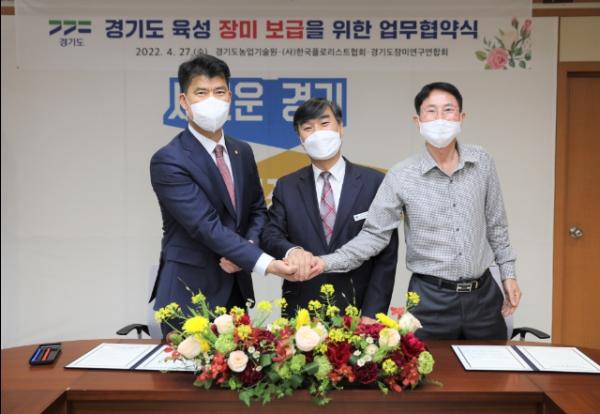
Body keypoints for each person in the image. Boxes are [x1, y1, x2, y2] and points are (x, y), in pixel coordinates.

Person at [310, 82, 522, 340]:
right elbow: (374, 235)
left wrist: (508, 274)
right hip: (430, 301)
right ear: (418, 120)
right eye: (431, 111)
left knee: (490, 365)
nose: (440, 118)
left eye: (448, 110)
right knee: (428, 366)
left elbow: (496, 224)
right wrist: (326, 262)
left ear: (461, 117)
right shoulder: (401, 175)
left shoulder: (482, 162)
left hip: (484, 297)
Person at [149, 54, 296, 335]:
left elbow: (256, 209)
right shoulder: (169, 159)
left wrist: (246, 249)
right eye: (201, 93)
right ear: (184, 101)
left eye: (218, 92)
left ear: (230, 97)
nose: (211, 100)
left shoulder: (242, 151)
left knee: (239, 362)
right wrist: (265, 263)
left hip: (235, 289)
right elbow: (205, 226)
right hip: (189, 295)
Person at [261, 98, 399, 320]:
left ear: (340, 128)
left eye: (324, 124)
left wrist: (373, 312)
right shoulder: (287, 186)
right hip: (302, 309)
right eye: (308, 128)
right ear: (300, 139)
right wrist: (292, 251)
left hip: (358, 308)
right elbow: (271, 234)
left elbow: (386, 254)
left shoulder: (374, 182)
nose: (317, 133)